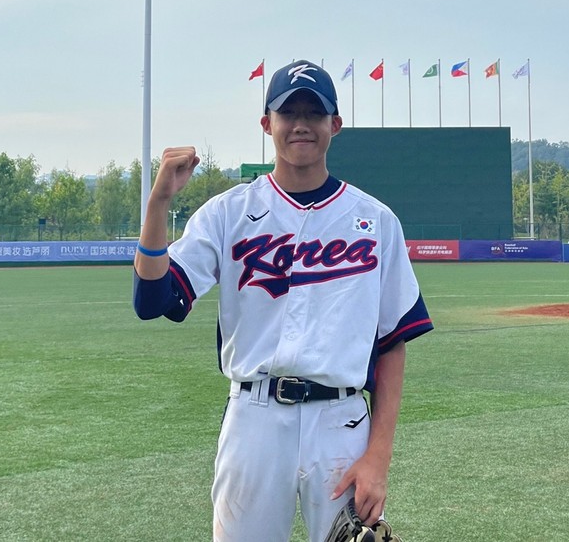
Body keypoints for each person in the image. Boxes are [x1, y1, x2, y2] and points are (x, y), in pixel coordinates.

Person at [133, 59, 433, 542]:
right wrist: (158, 204)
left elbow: (393, 341)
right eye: (288, 112)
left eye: (314, 113)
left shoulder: (376, 221)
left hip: (341, 423)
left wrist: (378, 456)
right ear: (266, 123)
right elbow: (152, 299)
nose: (300, 124)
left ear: (335, 124)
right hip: (253, 418)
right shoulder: (228, 213)